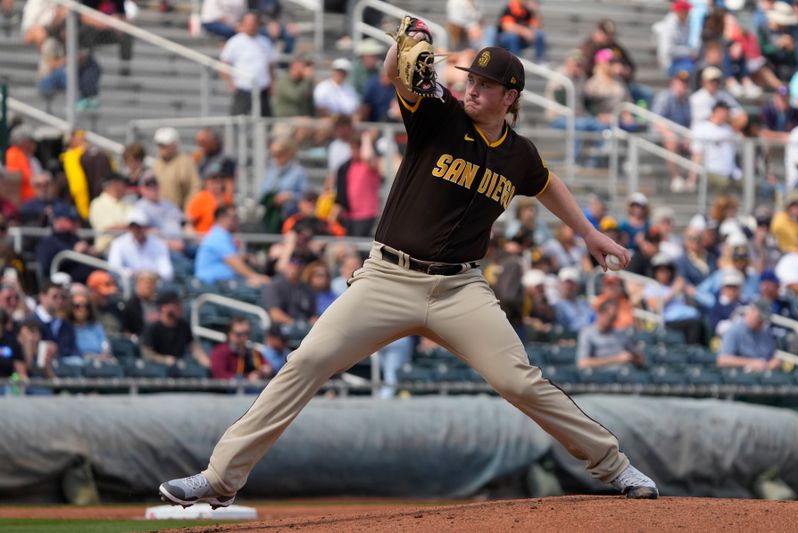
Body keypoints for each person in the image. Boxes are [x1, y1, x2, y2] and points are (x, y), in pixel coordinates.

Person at [159, 35, 658, 508]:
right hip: (388, 278)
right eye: (470, 79)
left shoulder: (519, 154)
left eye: (485, 84)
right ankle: (220, 479)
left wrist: (589, 233)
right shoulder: (440, 116)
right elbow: (395, 76)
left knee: (520, 382)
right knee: (307, 362)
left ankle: (615, 466)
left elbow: (545, 183)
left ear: (511, 97)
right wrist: (402, 46)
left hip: (459, 287)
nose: (472, 88)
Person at [194, 205, 270, 286]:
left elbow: (233, 258)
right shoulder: (218, 236)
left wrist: (247, 257)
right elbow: (234, 262)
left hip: (223, 284)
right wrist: (254, 276)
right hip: (213, 285)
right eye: (234, 217)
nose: (237, 221)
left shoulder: (222, 235)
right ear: (222, 218)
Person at [220, 11, 277, 116]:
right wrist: (231, 84)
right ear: (243, 24)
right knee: (237, 118)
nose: (251, 26)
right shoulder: (234, 42)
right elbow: (224, 64)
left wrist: (272, 83)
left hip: (262, 88)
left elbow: (271, 65)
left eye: (253, 23)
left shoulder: (265, 42)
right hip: (243, 88)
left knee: (266, 120)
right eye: (248, 24)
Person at [140, 290, 209, 368]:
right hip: (156, 369)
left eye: (180, 304)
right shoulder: (152, 327)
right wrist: (164, 359)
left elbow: (194, 347)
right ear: (163, 308)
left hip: (179, 368)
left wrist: (205, 361)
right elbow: (146, 353)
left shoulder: (183, 325)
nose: (180, 307)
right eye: (175, 304)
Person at [333, 131, 382, 237]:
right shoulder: (348, 165)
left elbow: (368, 156)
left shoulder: (369, 165)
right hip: (350, 214)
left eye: (357, 148)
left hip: (366, 213)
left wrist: (366, 138)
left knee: (359, 244)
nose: (354, 151)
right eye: (352, 148)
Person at [651, 70, 693, 192]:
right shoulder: (664, 97)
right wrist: (673, 134)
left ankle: (691, 180)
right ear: (673, 82)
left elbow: (689, 123)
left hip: (679, 134)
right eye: (680, 82)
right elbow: (657, 121)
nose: (683, 85)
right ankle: (676, 178)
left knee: (698, 142)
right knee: (671, 138)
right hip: (658, 134)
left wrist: (687, 136)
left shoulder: (686, 101)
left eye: (685, 83)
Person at [35, 204, 96, 284]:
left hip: (88, 281)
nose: (76, 224)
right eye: (71, 220)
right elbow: (46, 267)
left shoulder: (74, 238)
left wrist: (91, 252)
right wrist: (74, 253)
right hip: (68, 286)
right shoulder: (48, 243)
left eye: (76, 221)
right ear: (58, 221)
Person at [688, 101, 741, 192]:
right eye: (726, 111)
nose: (728, 114)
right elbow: (697, 154)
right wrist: (692, 179)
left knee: (752, 184)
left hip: (732, 172)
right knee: (724, 184)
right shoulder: (702, 128)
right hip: (712, 171)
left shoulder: (728, 129)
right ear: (718, 111)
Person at [107, 210, 174, 281]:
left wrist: (150, 275)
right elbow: (114, 268)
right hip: (130, 282)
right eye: (132, 227)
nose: (135, 230)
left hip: (154, 282)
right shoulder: (118, 243)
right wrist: (134, 274)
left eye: (138, 227)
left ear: (145, 227)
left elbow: (167, 271)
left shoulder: (158, 244)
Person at [717, 299, 780, 371]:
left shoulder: (766, 332)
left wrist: (773, 363)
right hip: (740, 377)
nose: (761, 322)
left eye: (764, 320)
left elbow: (773, 357)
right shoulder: (734, 331)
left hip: (764, 377)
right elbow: (722, 360)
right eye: (760, 318)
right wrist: (750, 362)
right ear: (752, 311)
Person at [576, 300, 640, 370]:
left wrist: (633, 358)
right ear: (600, 314)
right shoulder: (587, 333)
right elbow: (582, 363)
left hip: (624, 375)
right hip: (600, 377)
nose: (612, 321)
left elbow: (636, 356)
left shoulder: (620, 333)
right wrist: (616, 359)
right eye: (611, 317)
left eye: (614, 318)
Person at [152, 127, 201, 210]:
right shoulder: (156, 164)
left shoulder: (185, 162)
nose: (161, 149)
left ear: (174, 145)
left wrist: (188, 210)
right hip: (158, 213)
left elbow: (195, 188)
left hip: (179, 212)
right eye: (160, 145)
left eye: (164, 145)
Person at [210, 316, 271, 381]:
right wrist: (246, 378)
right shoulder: (220, 352)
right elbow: (219, 376)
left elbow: (267, 367)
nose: (243, 338)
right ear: (229, 334)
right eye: (239, 334)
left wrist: (263, 371)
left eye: (246, 333)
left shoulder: (252, 352)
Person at [88, 172, 131, 254]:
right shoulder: (97, 203)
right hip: (107, 250)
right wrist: (132, 227)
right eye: (122, 184)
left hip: (130, 247)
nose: (125, 187)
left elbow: (140, 224)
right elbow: (109, 228)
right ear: (113, 185)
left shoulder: (127, 204)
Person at [654, 0, 698, 76]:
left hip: (682, 58)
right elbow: (668, 50)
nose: (688, 13)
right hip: (670, 61)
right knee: (689, 70)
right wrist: (688, 52)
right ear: (679, 11)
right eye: (686, 11)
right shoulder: (669, 25)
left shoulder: (686, 23)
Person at [186, 162, 231, 235]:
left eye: (221, 177)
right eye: (214, 178)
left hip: (223, 241)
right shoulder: (200, 198)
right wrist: (199, 239)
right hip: (205, 242)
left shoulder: (227, 198)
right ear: (206, 181)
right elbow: (187, 225)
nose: (218, 181)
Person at [68, 290, 113, 361]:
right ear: (71, 308)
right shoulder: (66, 328)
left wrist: (104, 354)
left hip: (99, 363)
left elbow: (105, 346)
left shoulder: (96, 327)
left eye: (86, 306)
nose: (82, 309)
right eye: (77, 306)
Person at [4, 125, 39, 203]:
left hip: (30, 200)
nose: (34, 144)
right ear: (23, 142)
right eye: (31, 141)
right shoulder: (13, 155)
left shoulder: (29, 158)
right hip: (22, 202)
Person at [121, 271, 159, 337]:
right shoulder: (130, 305)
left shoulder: (159, 305)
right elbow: (124, 329)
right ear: (137, 284)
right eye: (145, 283)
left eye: (152, 283)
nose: (149, 286)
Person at [770, 190, 798, 254]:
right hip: (784, 256)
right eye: (796, 205)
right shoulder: (780, 220)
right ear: (789, 206)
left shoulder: (795, 220)